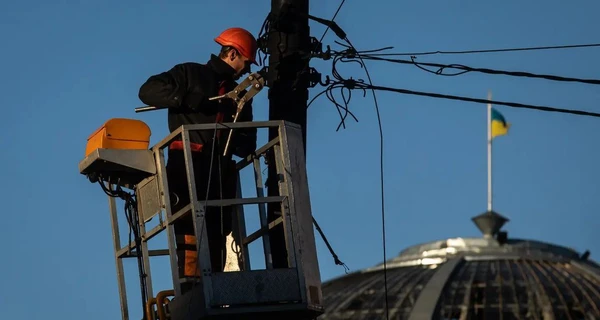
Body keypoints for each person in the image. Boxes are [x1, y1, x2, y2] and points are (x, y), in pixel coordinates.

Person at [137, 27, 259, 293]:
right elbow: (148, 91)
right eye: (246, 62)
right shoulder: (189, 74)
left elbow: (248, 143)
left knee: (217, 232)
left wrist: (235, 129)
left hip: (219, 172)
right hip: (187, 165)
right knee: (188, 227)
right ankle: (190, 288)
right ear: (232, 53)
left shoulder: (240, 97)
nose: (247, 69)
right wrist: (185, 98)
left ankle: (212, 286)